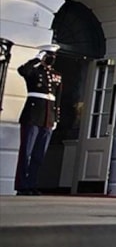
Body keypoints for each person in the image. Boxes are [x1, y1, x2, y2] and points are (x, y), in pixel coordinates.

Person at [15, 44, 62, 196]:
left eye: (53, 56)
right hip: (33, 115)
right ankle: (22, 186)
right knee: (26, 152)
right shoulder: (33, 71)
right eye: (49, 56)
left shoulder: (56, 75)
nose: (51, 59)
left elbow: (58, 98)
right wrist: (36, 59)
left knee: (39, 154)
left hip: (48, 117)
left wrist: (55, 118)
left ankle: (32, 183)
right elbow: (22, 71)